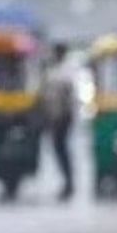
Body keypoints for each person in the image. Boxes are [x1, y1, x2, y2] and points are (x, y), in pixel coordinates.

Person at [43, 42, 76, 201]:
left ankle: (69, 184)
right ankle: (67, 183)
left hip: (62, 117)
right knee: (59, 150)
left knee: (62, 150)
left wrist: (62, 117)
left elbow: (66, 97)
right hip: (54, 116)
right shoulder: (54, 70)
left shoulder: (65, 71)